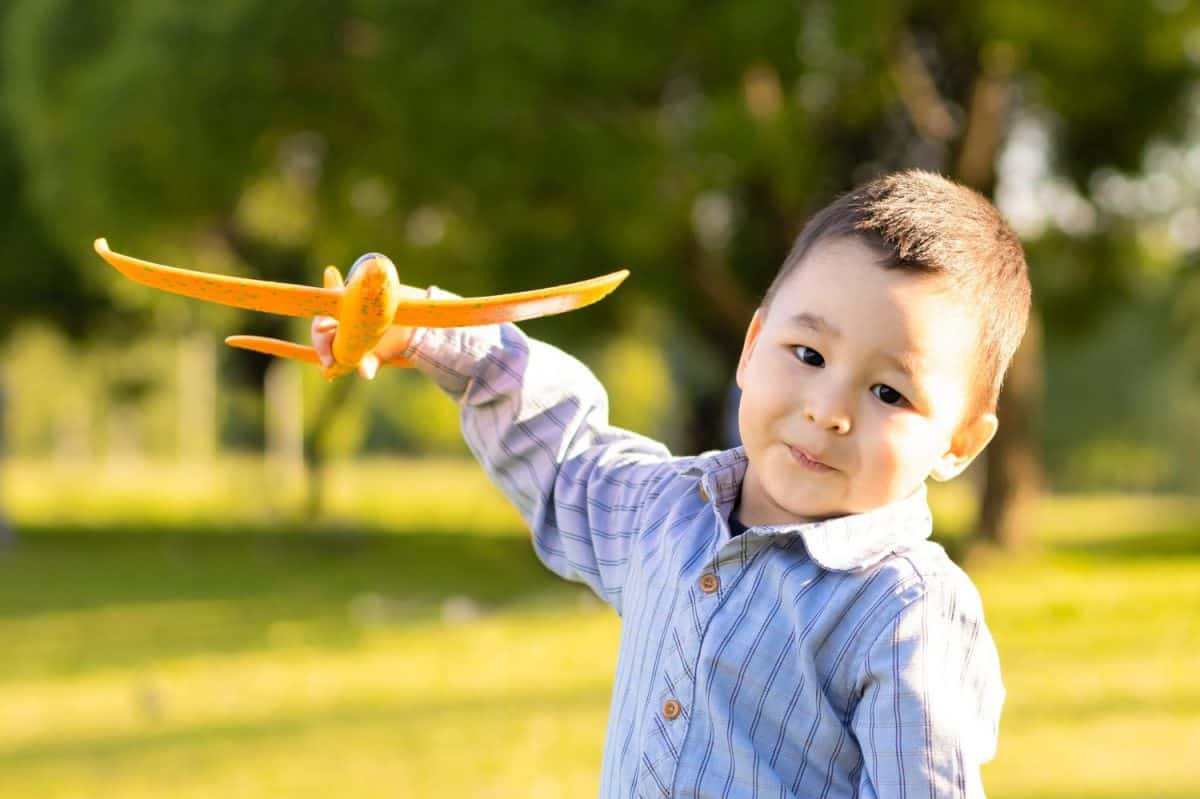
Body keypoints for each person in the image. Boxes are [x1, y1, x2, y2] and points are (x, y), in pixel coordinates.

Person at [313, 170, 1030, 798]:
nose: (827, 409)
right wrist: (419, 331)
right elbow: (566, 449)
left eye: (888, 393)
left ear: (960, 441)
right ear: (752, 348)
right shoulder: (668, 514)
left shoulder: (905, 613)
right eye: (807, 353)